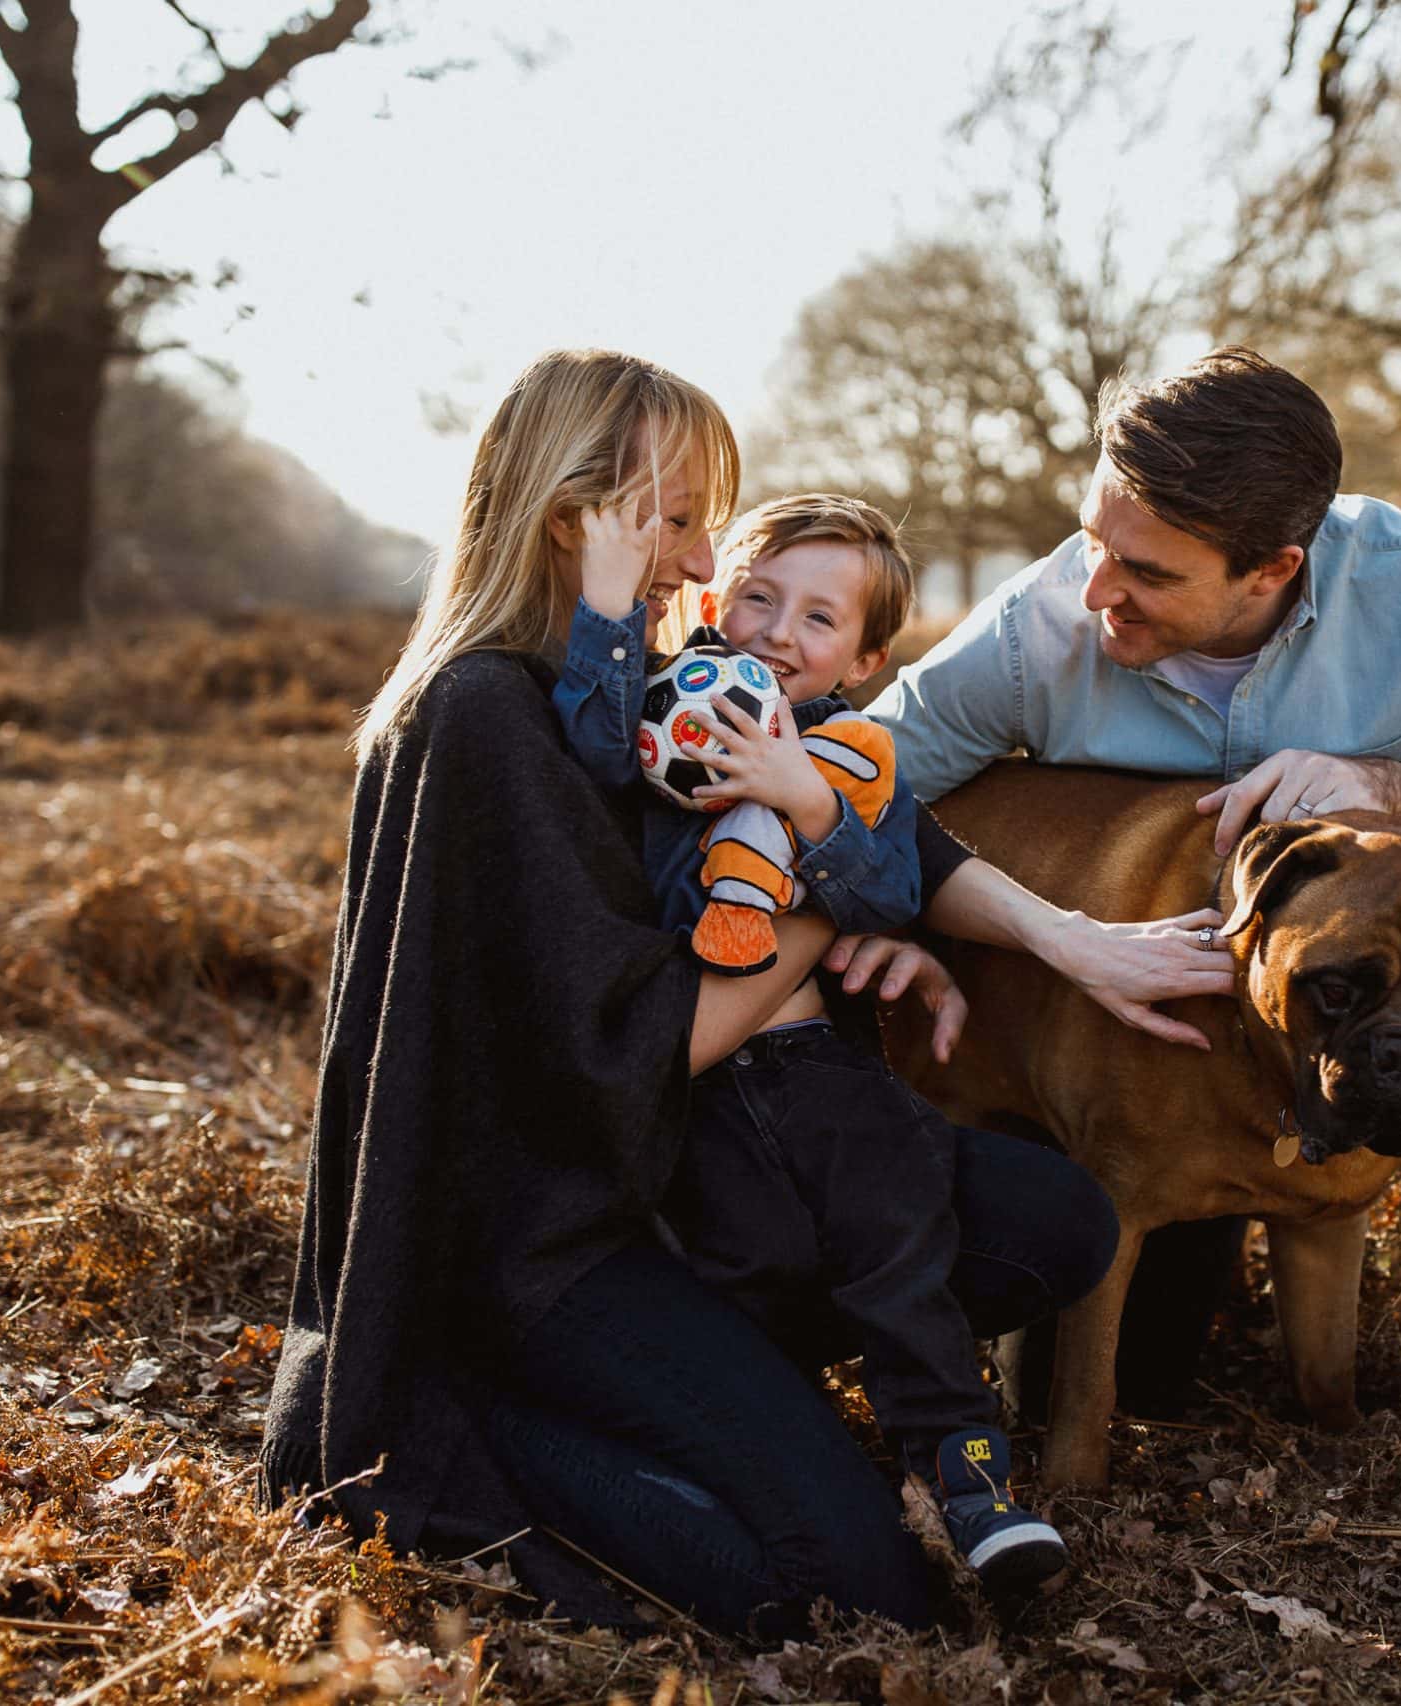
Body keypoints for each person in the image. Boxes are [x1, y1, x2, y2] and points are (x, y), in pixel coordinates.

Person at [260, 350, 1118, 1638]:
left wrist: (1009, 931)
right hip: (540, 1247)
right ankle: (501, 1412)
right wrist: (827, 908)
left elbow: (864, 832)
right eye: (674, 519)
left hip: (663, 1181)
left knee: (1048, 1220)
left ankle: (716, 1379)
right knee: (849, 1583)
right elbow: (644, 1049)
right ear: (574, 515)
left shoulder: (627, 700)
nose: (704, 559)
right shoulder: (484, 714)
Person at [859, 346, 1401, 1510]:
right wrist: (888, 904)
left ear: (1274, 568)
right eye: (1092, 542)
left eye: (1145, 570)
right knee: (1134, 1375)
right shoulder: (1039, 623)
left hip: (1346, 979)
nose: (1096, 589)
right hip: (1143, 1038)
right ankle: (1216, 1244)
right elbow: (852, 788)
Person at [547, 493, 1067, 1596]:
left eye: (820, 618)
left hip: (824, 1076)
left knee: (902, 1255)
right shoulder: (662, 701)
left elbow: (890, 893)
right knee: (747, 1263)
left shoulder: (853, 756)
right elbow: (585, 749)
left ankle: (970, 1482)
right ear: (714, 602)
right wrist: (607, 611)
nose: (779, 632)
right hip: (705, 1087)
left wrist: (810, 806)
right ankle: (763, 1441)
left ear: (866, 660)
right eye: (760, 597)